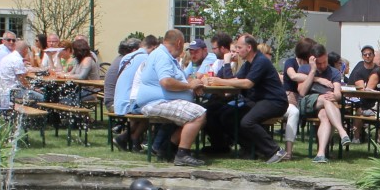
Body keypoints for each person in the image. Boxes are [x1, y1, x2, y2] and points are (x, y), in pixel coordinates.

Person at [131, 28, 209, 167]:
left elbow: (178, 79)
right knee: (199, 114)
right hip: (156, 102)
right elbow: (166, 82)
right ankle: (182, 154)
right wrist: (189, 87)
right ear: (179, 43)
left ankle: (168, 148)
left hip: (162, 101)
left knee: (197, 115)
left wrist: (190, 84)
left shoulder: (165, 56)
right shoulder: (162, 56)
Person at [219, 32, 289, 163]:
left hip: (275, 101)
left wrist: (221, 81)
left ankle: (275, 150)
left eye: (239, 48)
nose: (237, 51)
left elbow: (247, 83)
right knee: (227, 116)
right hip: (259, 101)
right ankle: (251, 148)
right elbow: (235, 80)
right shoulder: (248, 63)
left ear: (249, 48)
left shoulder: (261, 61)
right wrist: (225, 68)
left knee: (247, 122)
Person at [298, 45, 347, 163]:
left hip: (326, 106)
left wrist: (335, 95)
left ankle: (320, 154)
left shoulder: (333, 72)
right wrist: (313, 71)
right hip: (308, 103)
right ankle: (342, 131)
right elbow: (302, 91)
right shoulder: (304, 69)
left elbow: (338, 93)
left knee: (325, 116)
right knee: (326, 99)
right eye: (319, 63)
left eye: (325, 61)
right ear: (313, 60)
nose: (323, 65)